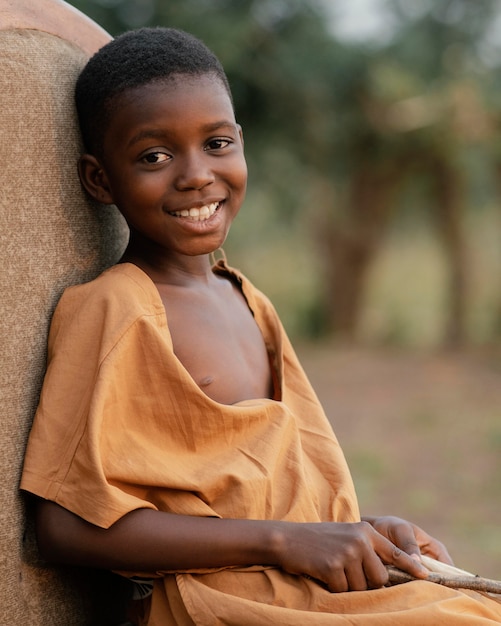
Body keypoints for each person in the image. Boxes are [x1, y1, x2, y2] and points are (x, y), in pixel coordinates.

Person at [20, 27, 501, 625]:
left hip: (308, 592)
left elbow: (267, 493)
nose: (196, 175)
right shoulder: (115, 306)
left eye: (216, 142)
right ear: (100, 180)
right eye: (154, 156)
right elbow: (66, 528)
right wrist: (280, 542)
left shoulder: (248, 301)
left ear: (241, 144)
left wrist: (359, 533)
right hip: (225, 605)